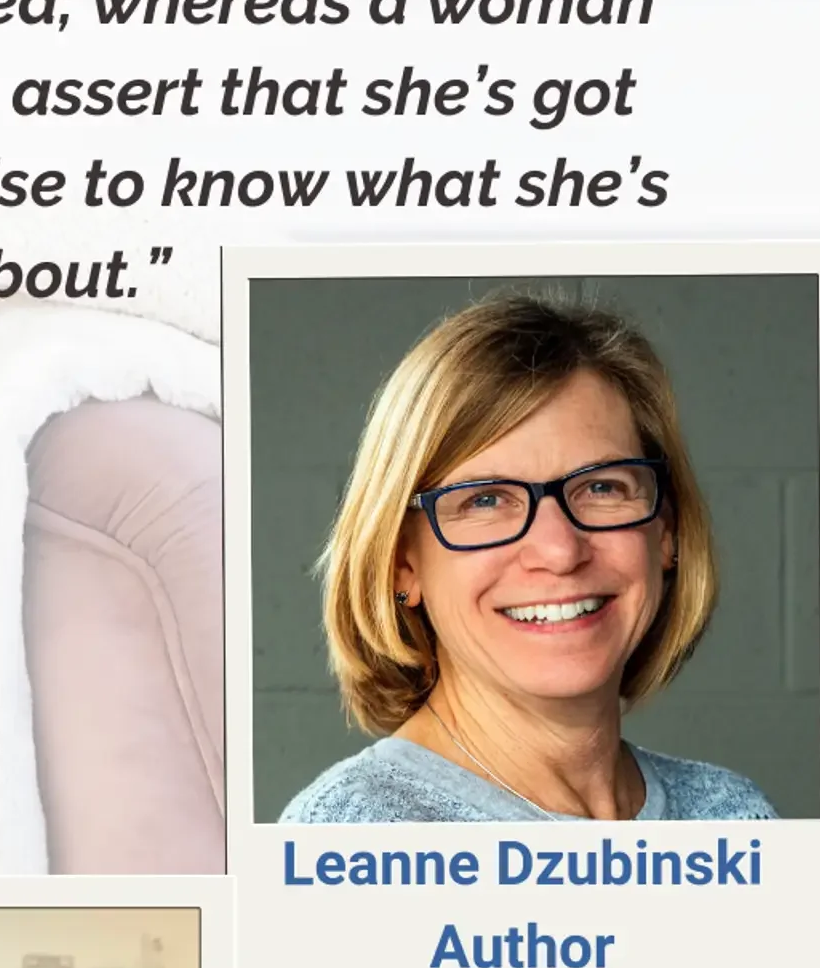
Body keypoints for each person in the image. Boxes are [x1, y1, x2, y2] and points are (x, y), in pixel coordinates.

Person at [282, 292, 777, 824]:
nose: (560, 551)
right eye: (485, 500)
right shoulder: (350, 837)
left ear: (665, 530)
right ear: (403, 563)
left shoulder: (731, 814)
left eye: (602, 487)